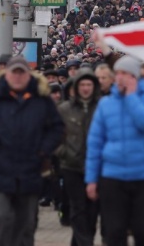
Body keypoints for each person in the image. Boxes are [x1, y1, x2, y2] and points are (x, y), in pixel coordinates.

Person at [0, 56, 64, 245]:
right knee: (1, 216)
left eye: (22, 72)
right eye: (14, 72)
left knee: (26, 223)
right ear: (6, 75)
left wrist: (43, 150)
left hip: (30, 169)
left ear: (29, 75)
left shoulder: (41, 99)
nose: (18, 77)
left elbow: (57, 128)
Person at [85, 55, 144, 246]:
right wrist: (91, 179)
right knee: (114, 232)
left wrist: (131, 97)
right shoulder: (106, 104)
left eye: (125, 73)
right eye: (117, 73)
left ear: (136, 77)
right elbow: (95, 143)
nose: (120, 77)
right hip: (113, 176)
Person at [57, 68, 102, 246]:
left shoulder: (102, 107)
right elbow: (54, 135)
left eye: (89, 84)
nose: (85, 88)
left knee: (92, 211)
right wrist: (63, 152)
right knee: (77, 209)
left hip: (96, 166)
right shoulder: (64, 109)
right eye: (82, 84)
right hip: (71, 166)